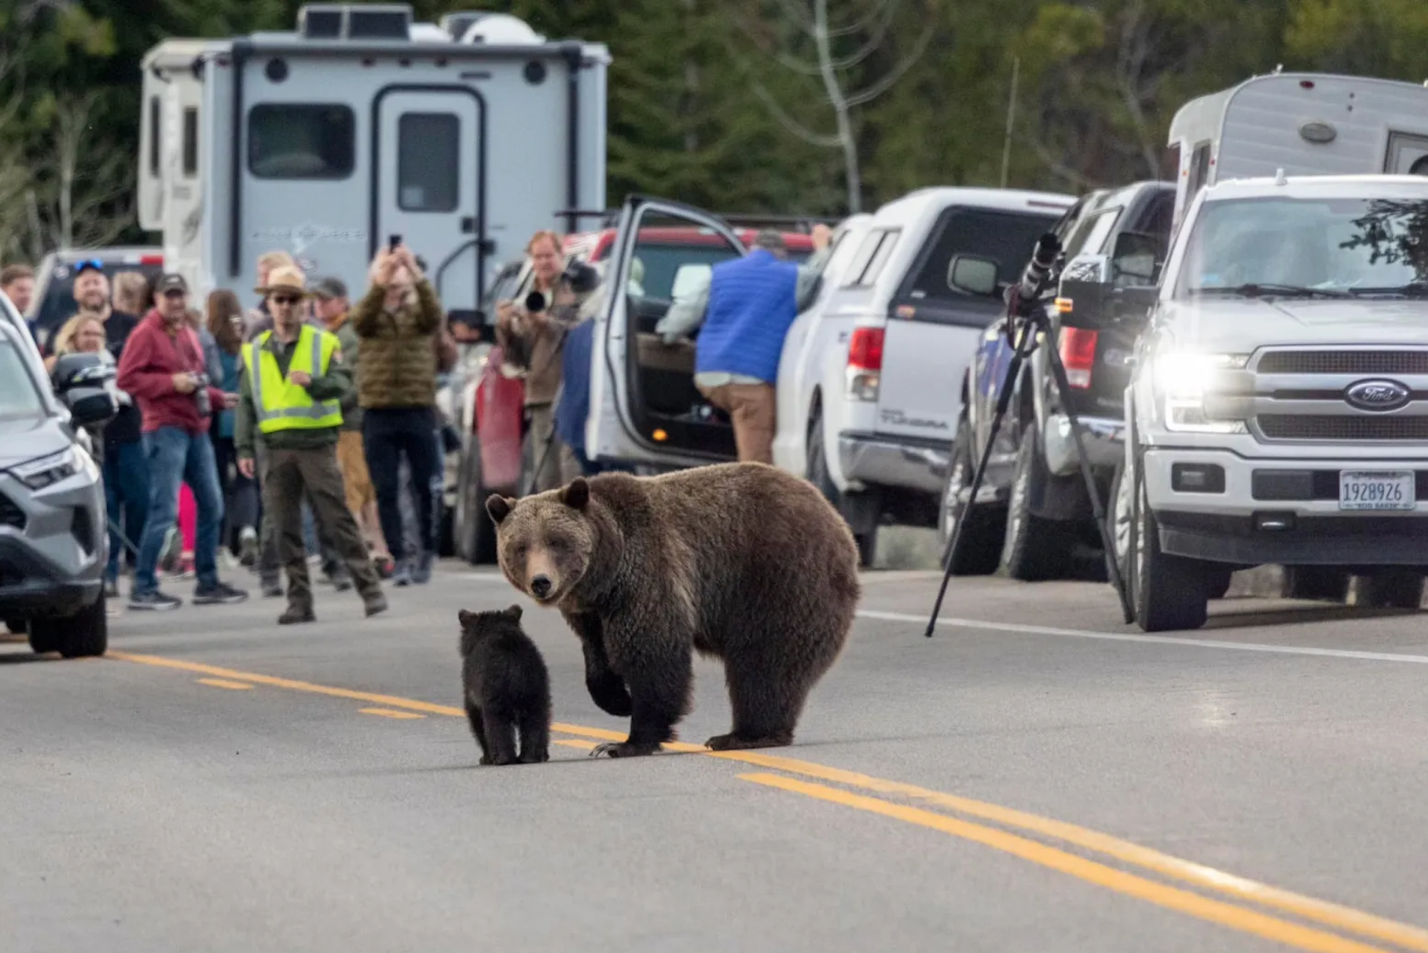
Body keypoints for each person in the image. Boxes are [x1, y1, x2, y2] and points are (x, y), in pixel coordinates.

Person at [234, 268, 387, 624]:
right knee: (285, 527)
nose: (285, 306)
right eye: (279, 299)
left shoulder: (323, 343)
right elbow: (245, 402)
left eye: (292, 299)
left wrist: (315, 384)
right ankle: (299, 601)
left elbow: (345, 385)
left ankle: (370, 590)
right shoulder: (255, 350)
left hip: (316, 444)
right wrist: (243, 448)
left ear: (302, 304)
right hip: (274, 446)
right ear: (270, 304)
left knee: (338, 520)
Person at [116, 273, 248, 611]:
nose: (175, 301)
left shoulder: (189, 332)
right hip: (164, 428)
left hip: (195, 427)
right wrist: (170, 383)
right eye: (168, 295)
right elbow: (127, 379)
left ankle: (207, 581)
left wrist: (219, 398)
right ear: (156, 298)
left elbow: (195, 382)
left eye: (179, 294)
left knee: (213, 504)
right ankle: (143, 585)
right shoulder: (145, 334)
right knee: (164, 509)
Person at [654, 226, 833, 463]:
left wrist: (665, 334)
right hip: (751, 379)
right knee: (756, 458)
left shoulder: (718, 274)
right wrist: (823, 248)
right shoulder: (791, 276)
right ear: (781, 253)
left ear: (751, 250)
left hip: (710, 375)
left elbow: (685, 312)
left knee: (743, 426)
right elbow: (820, 274)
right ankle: (752, 497)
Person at [351, 244, 444, 586]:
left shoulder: (420, 315)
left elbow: (435, 317)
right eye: (390, 283)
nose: (394, 288)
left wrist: (416, 275)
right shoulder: (369, 314)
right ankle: (399, 556)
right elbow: (358, 321)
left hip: (417, 409)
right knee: (385, 488)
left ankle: (426, 554)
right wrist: (380, 282)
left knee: (424, 487)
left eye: (399, 283)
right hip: (378, 411)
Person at [69, 261, 149, 597]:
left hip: (129, 429)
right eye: (85, 283)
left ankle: (139, 560)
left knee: (141, 499)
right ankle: (111, 572)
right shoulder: (68, 330)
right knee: (107, 504)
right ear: (77, 291)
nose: (92, 288)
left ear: (107, 287)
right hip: (91, 435)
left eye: (96, 282)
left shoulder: (130, 326)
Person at [311, 276, 394, 576]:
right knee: (365, 492)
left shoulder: (345, 337)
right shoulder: (332, 333)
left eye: (326, 299)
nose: (319, 305)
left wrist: (320, 397)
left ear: (343, 301)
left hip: (348, 424)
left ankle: (359, 556)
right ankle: (379, 552)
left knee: (353, 493)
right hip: (352, 423)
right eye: (316, 300)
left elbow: (352, 384)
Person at [495, 230, 582, 492]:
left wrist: (549, 324)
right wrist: (505, 326)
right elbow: (517, 357)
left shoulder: (575, 290)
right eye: (538, 256)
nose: (544, 262)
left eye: (549, 255)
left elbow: (582, 332)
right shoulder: (526, 296)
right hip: (540, 392)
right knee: (546, 476)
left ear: (561, 256)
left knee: (572, 469)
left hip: (570, 391)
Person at [206, 289, 260, 566]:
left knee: (217, 484)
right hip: (244, 417)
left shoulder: (208, 340)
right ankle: (249, 529)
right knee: (246, 479)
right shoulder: (245, 339)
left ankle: (222, 543)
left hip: (217, 417)